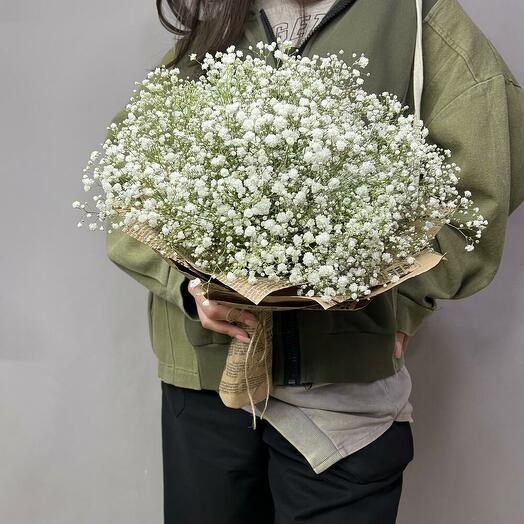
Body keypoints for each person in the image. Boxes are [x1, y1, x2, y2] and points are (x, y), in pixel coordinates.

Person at [104, 0, 524, 522]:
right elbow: (127, 184)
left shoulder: (416, 14)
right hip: (208, 383)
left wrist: (405, 303)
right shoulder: (223, 14)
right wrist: (189, 287)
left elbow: (486, 175)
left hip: (341, 395)